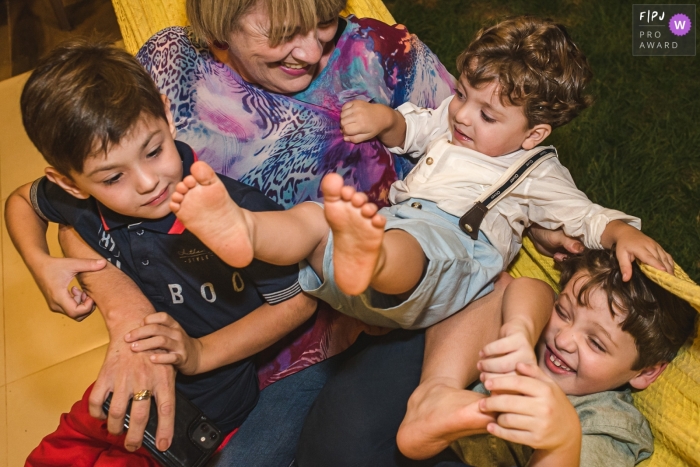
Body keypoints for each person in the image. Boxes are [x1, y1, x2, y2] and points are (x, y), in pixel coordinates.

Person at [159, 16, 672, 333]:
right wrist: (388, 120)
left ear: (534, 134)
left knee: (410, 242)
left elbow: (582, 214)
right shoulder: (459, 120)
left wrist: (621, 231)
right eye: (464, 95)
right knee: (314, 219)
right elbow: (418, 125)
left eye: (487, 114)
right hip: (373, 268)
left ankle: (373, 258)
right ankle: (246, 230)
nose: (462, 114)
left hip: (454, 249)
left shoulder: (536, 170)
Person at [6, 40, 320, 465]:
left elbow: (297, 303)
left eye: (154, 151)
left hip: (201, 415)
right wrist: (39, 262)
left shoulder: (233, 213)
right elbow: (22, 202)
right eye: (113, 176)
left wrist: (200, 353)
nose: (147, 182)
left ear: (166, 113)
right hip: (110, 395)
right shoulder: (80, 201)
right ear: (69, 184)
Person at [409, 249, 696, 466]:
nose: (562, 339)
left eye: (596, 343)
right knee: (505, 288)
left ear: (646, 372)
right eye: (563, 311)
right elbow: (529, 289)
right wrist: (519, 329)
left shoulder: (611, 425)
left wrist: (563, 442)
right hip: (440, 394)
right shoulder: (534, 332)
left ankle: (463, 407)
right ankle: (435, 392)